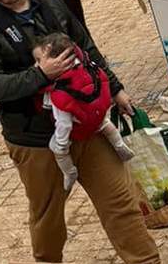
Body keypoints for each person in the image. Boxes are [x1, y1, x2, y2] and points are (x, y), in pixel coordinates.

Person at [0, 0, 164, 264]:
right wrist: (40, 74)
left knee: (120, 202)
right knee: (48, 220)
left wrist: (115, 88)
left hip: (88, 124)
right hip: (36, 140)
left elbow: (86, 45)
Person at [32, 31, 134, 192]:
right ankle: (120, 146)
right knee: (106, 125)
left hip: (78, 125)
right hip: (96, 116)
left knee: (56, 147)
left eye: (39, 60)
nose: (36, 66)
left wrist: (61, 143)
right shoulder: (85, 66)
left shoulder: (58, 91)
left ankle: (69, 172)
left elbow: (64, 124)